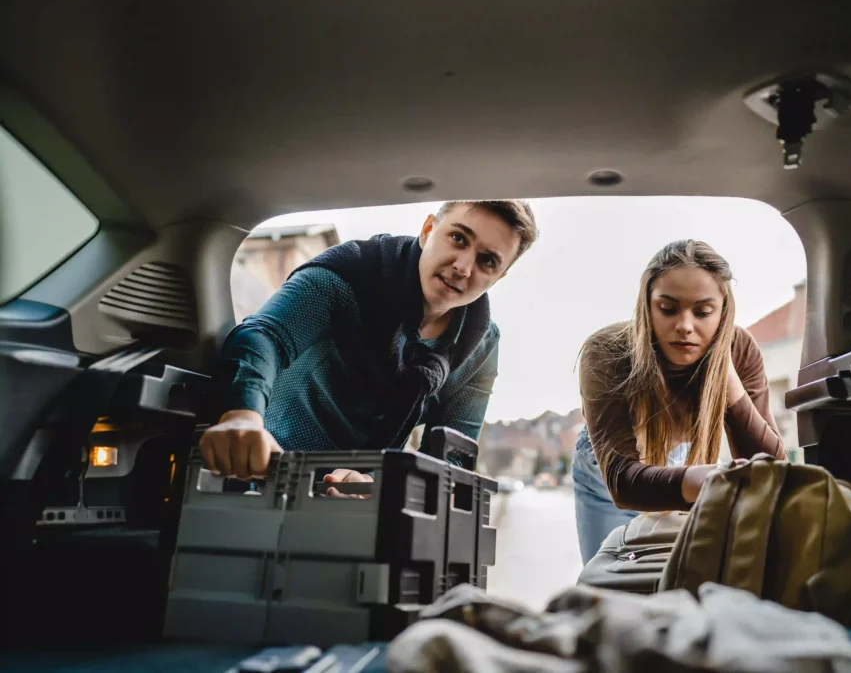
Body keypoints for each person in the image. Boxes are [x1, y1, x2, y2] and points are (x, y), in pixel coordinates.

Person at [200, 200, 538, 493]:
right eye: (458, 238)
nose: (463, 267)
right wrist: (242, 416)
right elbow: (264, 335)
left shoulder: (480, 347)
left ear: (501, 276)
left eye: (488, 261)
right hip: (266, 476)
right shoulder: (349, 274)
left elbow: (453, 459)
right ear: (428, 230)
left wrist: (380, 487)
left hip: (369, 509)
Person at [573, 239, 785, 564]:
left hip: (682, 462)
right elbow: (622, 481)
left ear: (723, 314)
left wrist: (726, 379)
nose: (685, 327)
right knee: (607, 585)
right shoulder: (606, 352)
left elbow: (771, 466)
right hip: (604, 469)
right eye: (668, 309)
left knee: (673, 581)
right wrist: (697, 480)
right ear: (647, 306)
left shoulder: (740, 349)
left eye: (703, 312)